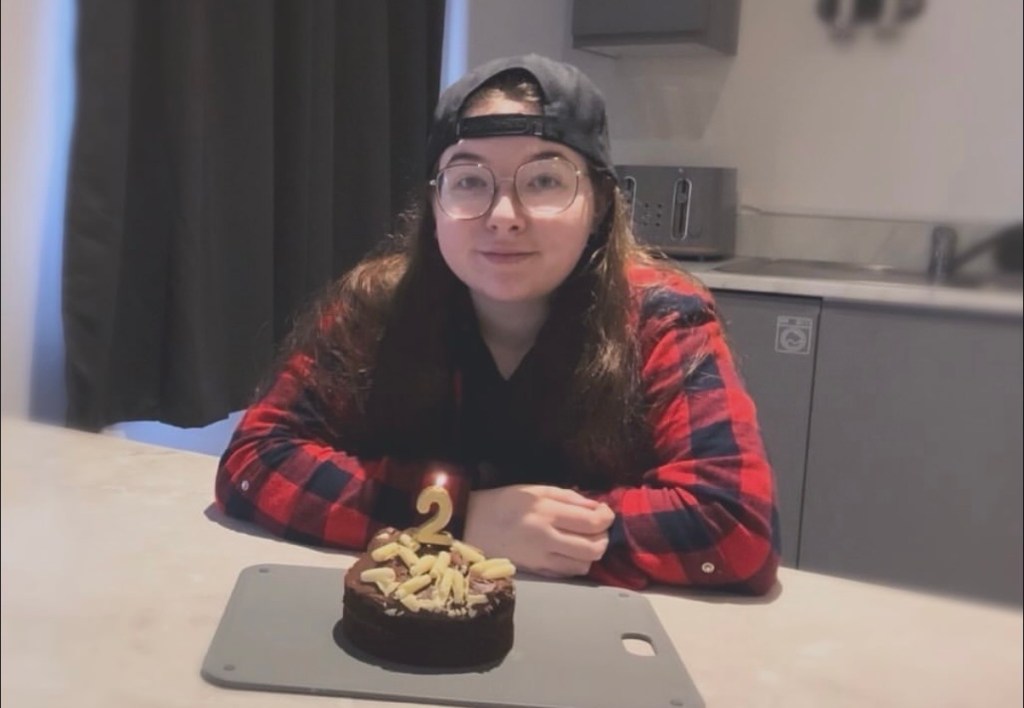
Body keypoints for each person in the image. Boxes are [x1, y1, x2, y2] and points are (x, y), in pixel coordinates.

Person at [215, 53, 779, 594]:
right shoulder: (374, 308)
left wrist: (543, 533)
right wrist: (459, 515)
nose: (503, 217)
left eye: (544, 181)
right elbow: (256, 460)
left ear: (600, 204)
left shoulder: (661, 317)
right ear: (435, 203)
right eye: (469, 181)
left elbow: (734, 525)